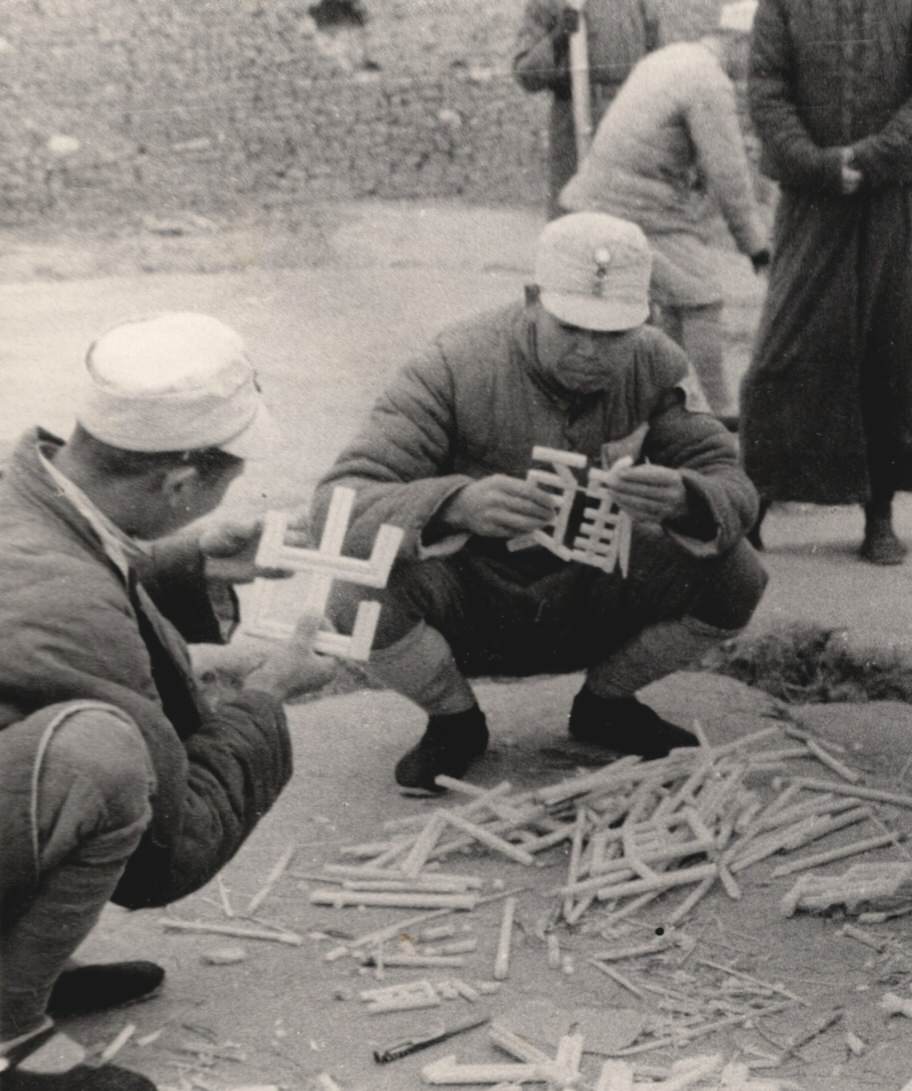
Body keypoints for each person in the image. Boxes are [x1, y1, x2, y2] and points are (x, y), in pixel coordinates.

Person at [318, 211, 767, 792]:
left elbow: (732, 484)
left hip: (592, 588)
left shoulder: (658, 362)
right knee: (356, 594)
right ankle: (454, 719)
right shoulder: (454, 362)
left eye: (612, 334)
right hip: (473, 597)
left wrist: (688, 497)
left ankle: (607, 703)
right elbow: (337, 503)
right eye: (571, 327)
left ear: (646, 318)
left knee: (738, 575)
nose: (590, 351)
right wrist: (454, 504)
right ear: (533, 299)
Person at [0, 314, 335, 1090]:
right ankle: (8, 1030)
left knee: (64, 754)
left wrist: (191, 564)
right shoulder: (63, 600)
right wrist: (264, 699)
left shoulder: (26, 494)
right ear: (179, 481)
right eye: (221, 484)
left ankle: (17, 962)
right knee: (101, 760)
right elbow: (167, 856)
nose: (222, 497)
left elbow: (79, 579)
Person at [738, 0, 912, 564]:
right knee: (785, 354)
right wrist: (815, 163)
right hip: (811, 200)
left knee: (894, 355)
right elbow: (766, 90)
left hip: (896, 197)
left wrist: (871, 157)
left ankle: (879, 516)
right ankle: (753, 505)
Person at [560, 1, 771, 416]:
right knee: (702, 298)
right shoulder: (709, 82)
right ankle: (721, 415)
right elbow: (729, 177)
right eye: (761, 54)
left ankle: (672, 407)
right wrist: (757, 246)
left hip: (601, 199)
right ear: (742, 43)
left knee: (675, 308)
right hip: (636, 210)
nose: (759, 68)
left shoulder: (673, 57)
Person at [512, 0, 661, 219]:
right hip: (572, 120)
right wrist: (559, 36)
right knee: (572, 218)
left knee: (626, 217)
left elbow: (657, 59)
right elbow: (526, 75)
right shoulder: (549, 3)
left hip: (629, 118)